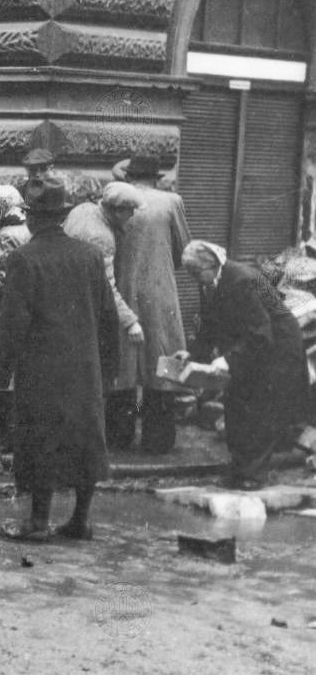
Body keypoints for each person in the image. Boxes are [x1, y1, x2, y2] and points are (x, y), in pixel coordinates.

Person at [0, 176, 118, 541]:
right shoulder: (89, 255)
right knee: (86, 440)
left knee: (39, 440)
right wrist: (110, 368)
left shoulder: (24, 259)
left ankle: (38, 523)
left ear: (31, 217)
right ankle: (81, 521)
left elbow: (13, 324)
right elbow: (109, 316)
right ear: (60, 217)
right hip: (86, 367)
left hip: (41, 369)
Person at [178, 240, 306, 489]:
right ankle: (240, 470)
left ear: (212, 264)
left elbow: (262, 332)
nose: (195, 279)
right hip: (253, 344)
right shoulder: (212, 283)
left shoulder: (243, 280)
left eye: (197, 272)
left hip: (278, 347)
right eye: (191, 274)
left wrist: (228, 359)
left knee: (260, 410)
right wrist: (192, 355)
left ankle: (253, 475)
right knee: (236, 404)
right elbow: (209, 326)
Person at [110, 154, 191, 454]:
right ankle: (159, 440)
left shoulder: (116, 198)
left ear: (129, 176)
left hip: (123, 288)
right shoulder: (171, 202)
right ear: (156, 177)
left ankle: (118, 436)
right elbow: (184, 251)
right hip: (161, 292)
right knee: (165, 356)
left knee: (123, 363)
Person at [63, 182, 146, 440]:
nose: (132, 217)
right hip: (80, 312)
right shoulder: (102, 237)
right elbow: (107, 287)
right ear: (117, 209)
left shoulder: (83, 209)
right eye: (129, 211)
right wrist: (131, 322)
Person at [0, 185, 32, 446]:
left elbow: (1, 277)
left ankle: (5, 437)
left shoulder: (6, 236)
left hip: (2, 309)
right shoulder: (24, 229)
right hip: (22, 305)